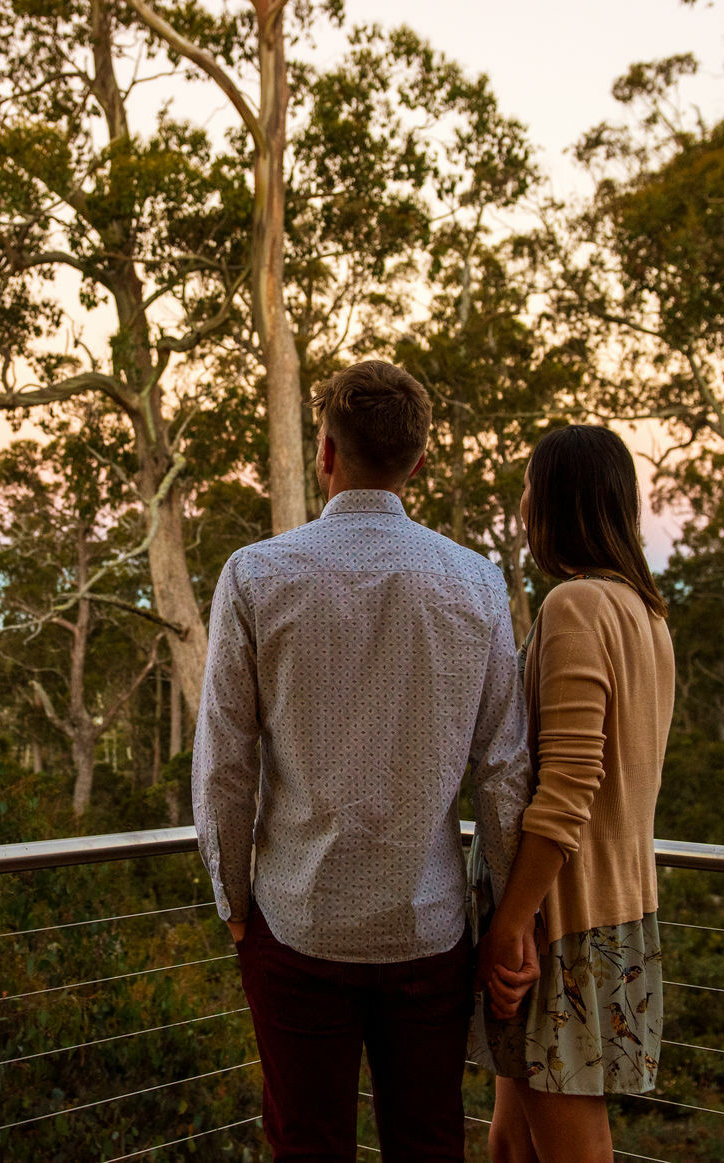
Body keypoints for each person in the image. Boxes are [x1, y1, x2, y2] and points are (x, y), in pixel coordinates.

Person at [193, 359, 534, 1161]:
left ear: (325, 452)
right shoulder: (478, 584)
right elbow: (504, 773)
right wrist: (505, 920)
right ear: (417, 464)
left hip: (298, 920)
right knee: (427, 1140)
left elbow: (225, 766)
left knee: (306, 1142)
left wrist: (232, 897)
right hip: (429, 927)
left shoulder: (255, 575)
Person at [475, 424, 676, 1163]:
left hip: (561, 919)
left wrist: (511, 923)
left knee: (566, 1142)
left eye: (529, 486)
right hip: (614, 908)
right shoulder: (647, 615)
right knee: (513, 1136)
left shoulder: (576, 606)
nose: (522, 503)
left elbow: (568, 785)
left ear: (556, 500)